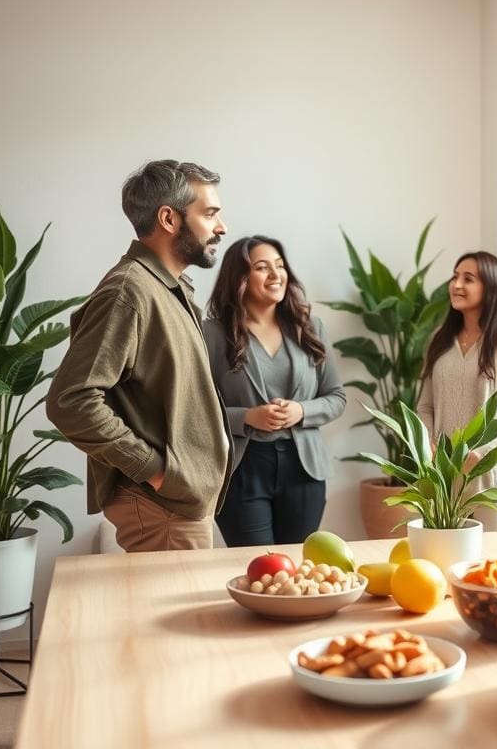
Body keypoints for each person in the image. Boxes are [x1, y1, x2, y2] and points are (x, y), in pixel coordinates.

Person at [47, 160, 233, 551]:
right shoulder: (128, 293)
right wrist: (156, 472)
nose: (221, 227)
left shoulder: (168, 288)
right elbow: (71, 401)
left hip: (176, 504)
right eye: (210, 213)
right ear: (169, 218)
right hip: (161, 507)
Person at [203, 236, 346, 546]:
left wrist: (301, 411)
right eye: (262, 267)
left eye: (280, 266)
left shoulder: (310, 328)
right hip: (243, 468)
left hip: (304, 469)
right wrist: (247, 417)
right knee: (258, 565)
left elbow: (337, 397)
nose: (275, 275)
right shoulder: (211, 334)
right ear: (240, 277)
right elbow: (195, 412)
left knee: (294, 568)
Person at [417, 251, 497, 537]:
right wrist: (428, 443)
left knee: (493, 567)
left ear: (491, 287)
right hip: (445, 477)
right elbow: (425, 406)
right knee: (449, 566)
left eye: (468, 279)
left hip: (496, 479)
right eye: (455, 276)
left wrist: (485, 452)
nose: (456, 285)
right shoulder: (439, 340)